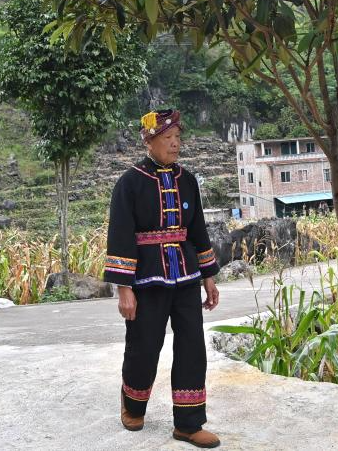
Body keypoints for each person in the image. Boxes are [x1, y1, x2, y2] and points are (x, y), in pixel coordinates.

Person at [103, 108, 222, 448]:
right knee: (144, 346)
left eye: (177, 137)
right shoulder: (130, 183)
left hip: (186, 277)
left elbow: (197, 231)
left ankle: (188, 423)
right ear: (149, 142)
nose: (175, 144)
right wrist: (124, 289)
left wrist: (208, 277)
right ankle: (133, 405)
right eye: (168, 138)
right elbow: (120, 236)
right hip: (147, 280)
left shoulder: (188, 180)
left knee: (192, 347)